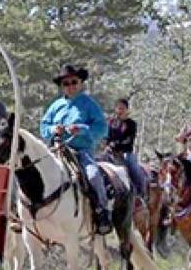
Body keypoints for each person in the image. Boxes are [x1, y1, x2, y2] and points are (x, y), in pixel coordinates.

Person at [39, 63, 110, 232]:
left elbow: (102, 127)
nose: (70, 86)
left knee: (93, 176)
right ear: (62, 86)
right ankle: (32, 215)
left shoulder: (89, 104)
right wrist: (52, 129)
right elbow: (44, 126)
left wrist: (82, 129)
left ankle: (102, 212)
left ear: (81, 83)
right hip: (57, 150)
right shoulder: (56, 105)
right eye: (66, 83)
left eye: (74, 82)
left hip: (81, 151)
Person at [104, 98, 147, 196]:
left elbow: (129, 139)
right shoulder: (111, 123)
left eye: (122, 108)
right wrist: (108, 144)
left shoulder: (131, 124)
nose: (120, 111)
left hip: (125, 152)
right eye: (118, 108)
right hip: (111, 151)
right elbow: (106, 136)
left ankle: (142, 193)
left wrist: (116, 144)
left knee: (134, 168)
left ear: (127, 110)